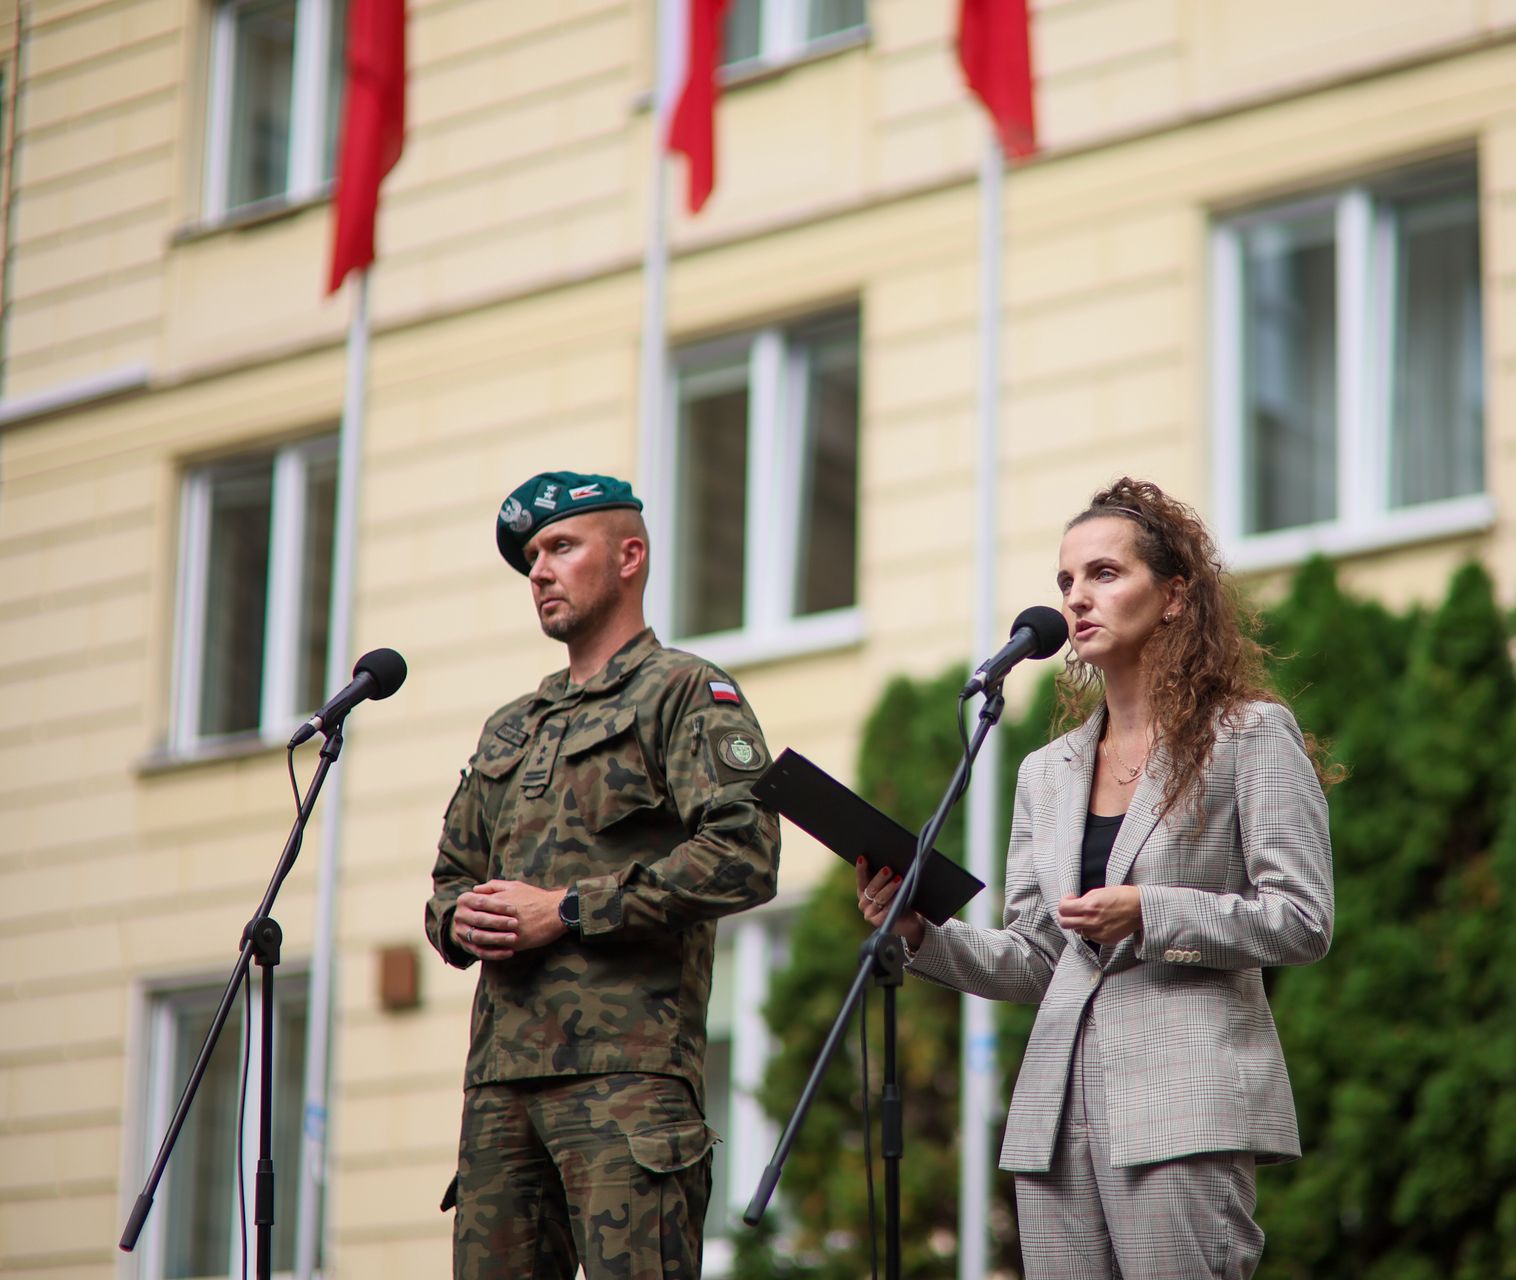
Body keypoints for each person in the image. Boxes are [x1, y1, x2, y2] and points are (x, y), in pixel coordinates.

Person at [858, 477, 1336, 1280]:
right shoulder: (1047, 773)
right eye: (1066, 582)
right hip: (1053, 1123)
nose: (1077, 598)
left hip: (1183, 1109)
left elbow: (1301, 919)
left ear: (1176, 595)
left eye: (1105, 574)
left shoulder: (1250, 735)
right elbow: (1040, 958)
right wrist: (922, 938)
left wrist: (1151, 911)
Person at [426, 471, 781, 1280]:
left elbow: (743, 853)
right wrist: (458, 921)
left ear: (629, 556)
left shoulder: (686, 691)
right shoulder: (512, 725)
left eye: (560, 547)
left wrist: (569, 911)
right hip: (500, 1085)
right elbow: (450, 878)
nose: (539, 571)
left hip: (629, 1079)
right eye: (530, 558)